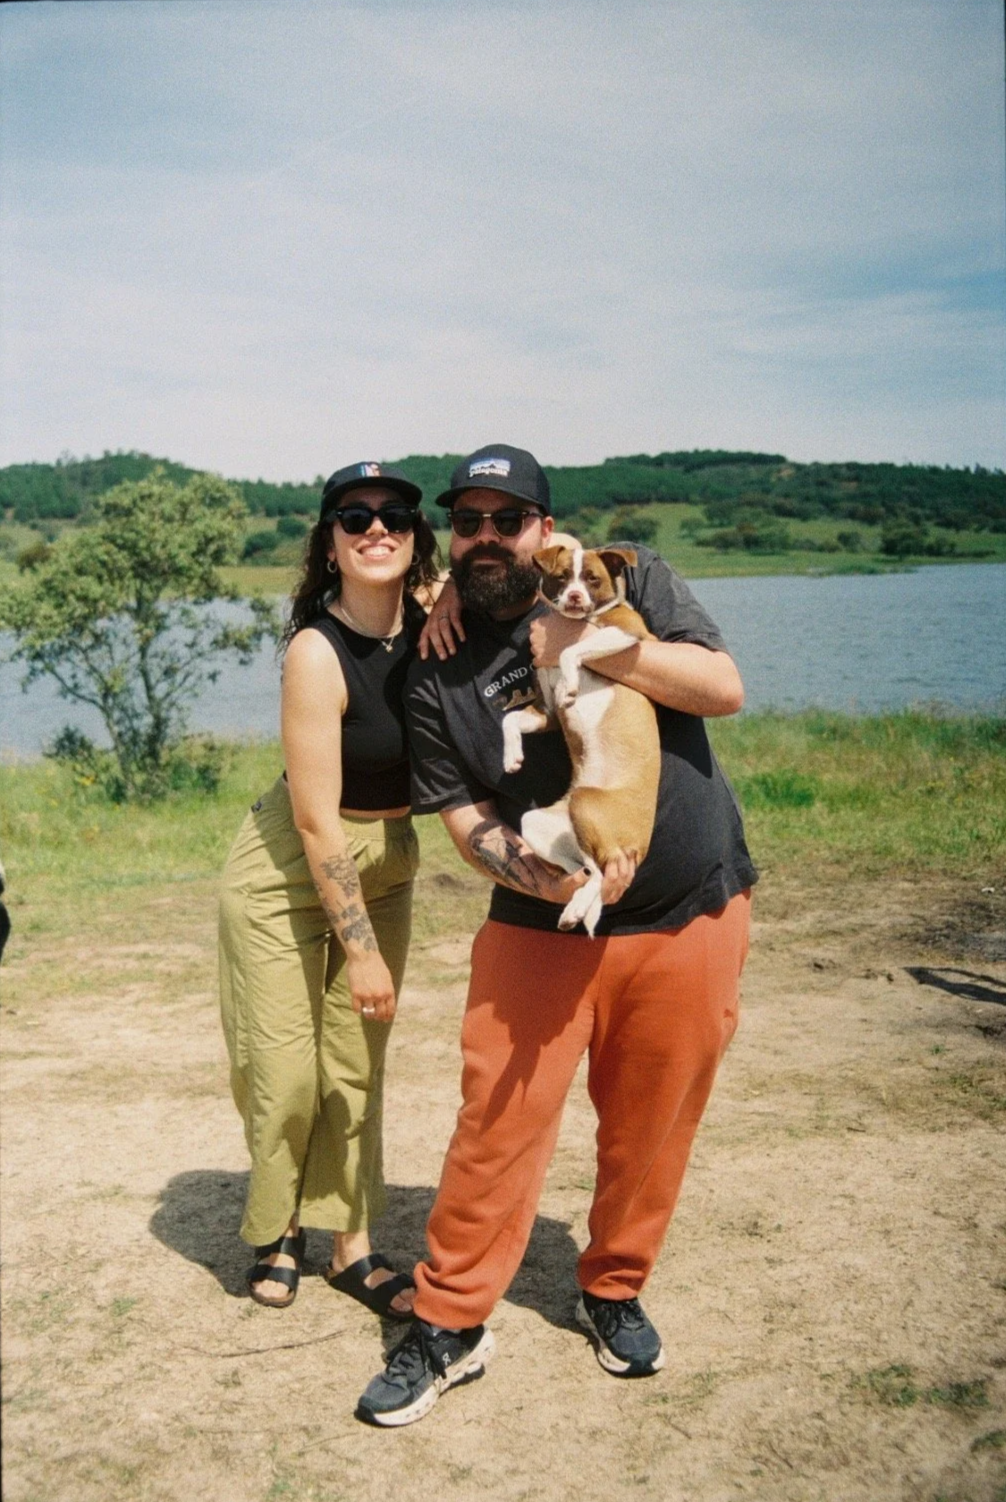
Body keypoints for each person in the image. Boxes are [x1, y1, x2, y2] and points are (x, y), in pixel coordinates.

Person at [357, 443, 757, 1425]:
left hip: (689, 904)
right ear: (454, 539)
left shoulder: (630, 579)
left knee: (650, 1121)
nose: (486, 534)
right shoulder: (433, 660)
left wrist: (582, 638)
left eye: (508, 517)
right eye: (469, 521)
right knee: (495, 1122)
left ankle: (613, 1285)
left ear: (547, 529)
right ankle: (450, 1320)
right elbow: (460, 813)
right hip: (540, 922)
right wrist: (537, 872)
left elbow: (721, 686)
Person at [218, 461, 445, 1315]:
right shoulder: (316, 650)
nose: (375, 528)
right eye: (355, 517)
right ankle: (278, 1226)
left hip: (387, 860)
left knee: (356, 1067)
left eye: (396, 515)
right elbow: (316, 823)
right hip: (288, 867)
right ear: (330, 543)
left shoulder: (439, 627)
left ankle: (351, 1244)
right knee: (286, 1071)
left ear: (419, 536)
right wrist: (361, 953)